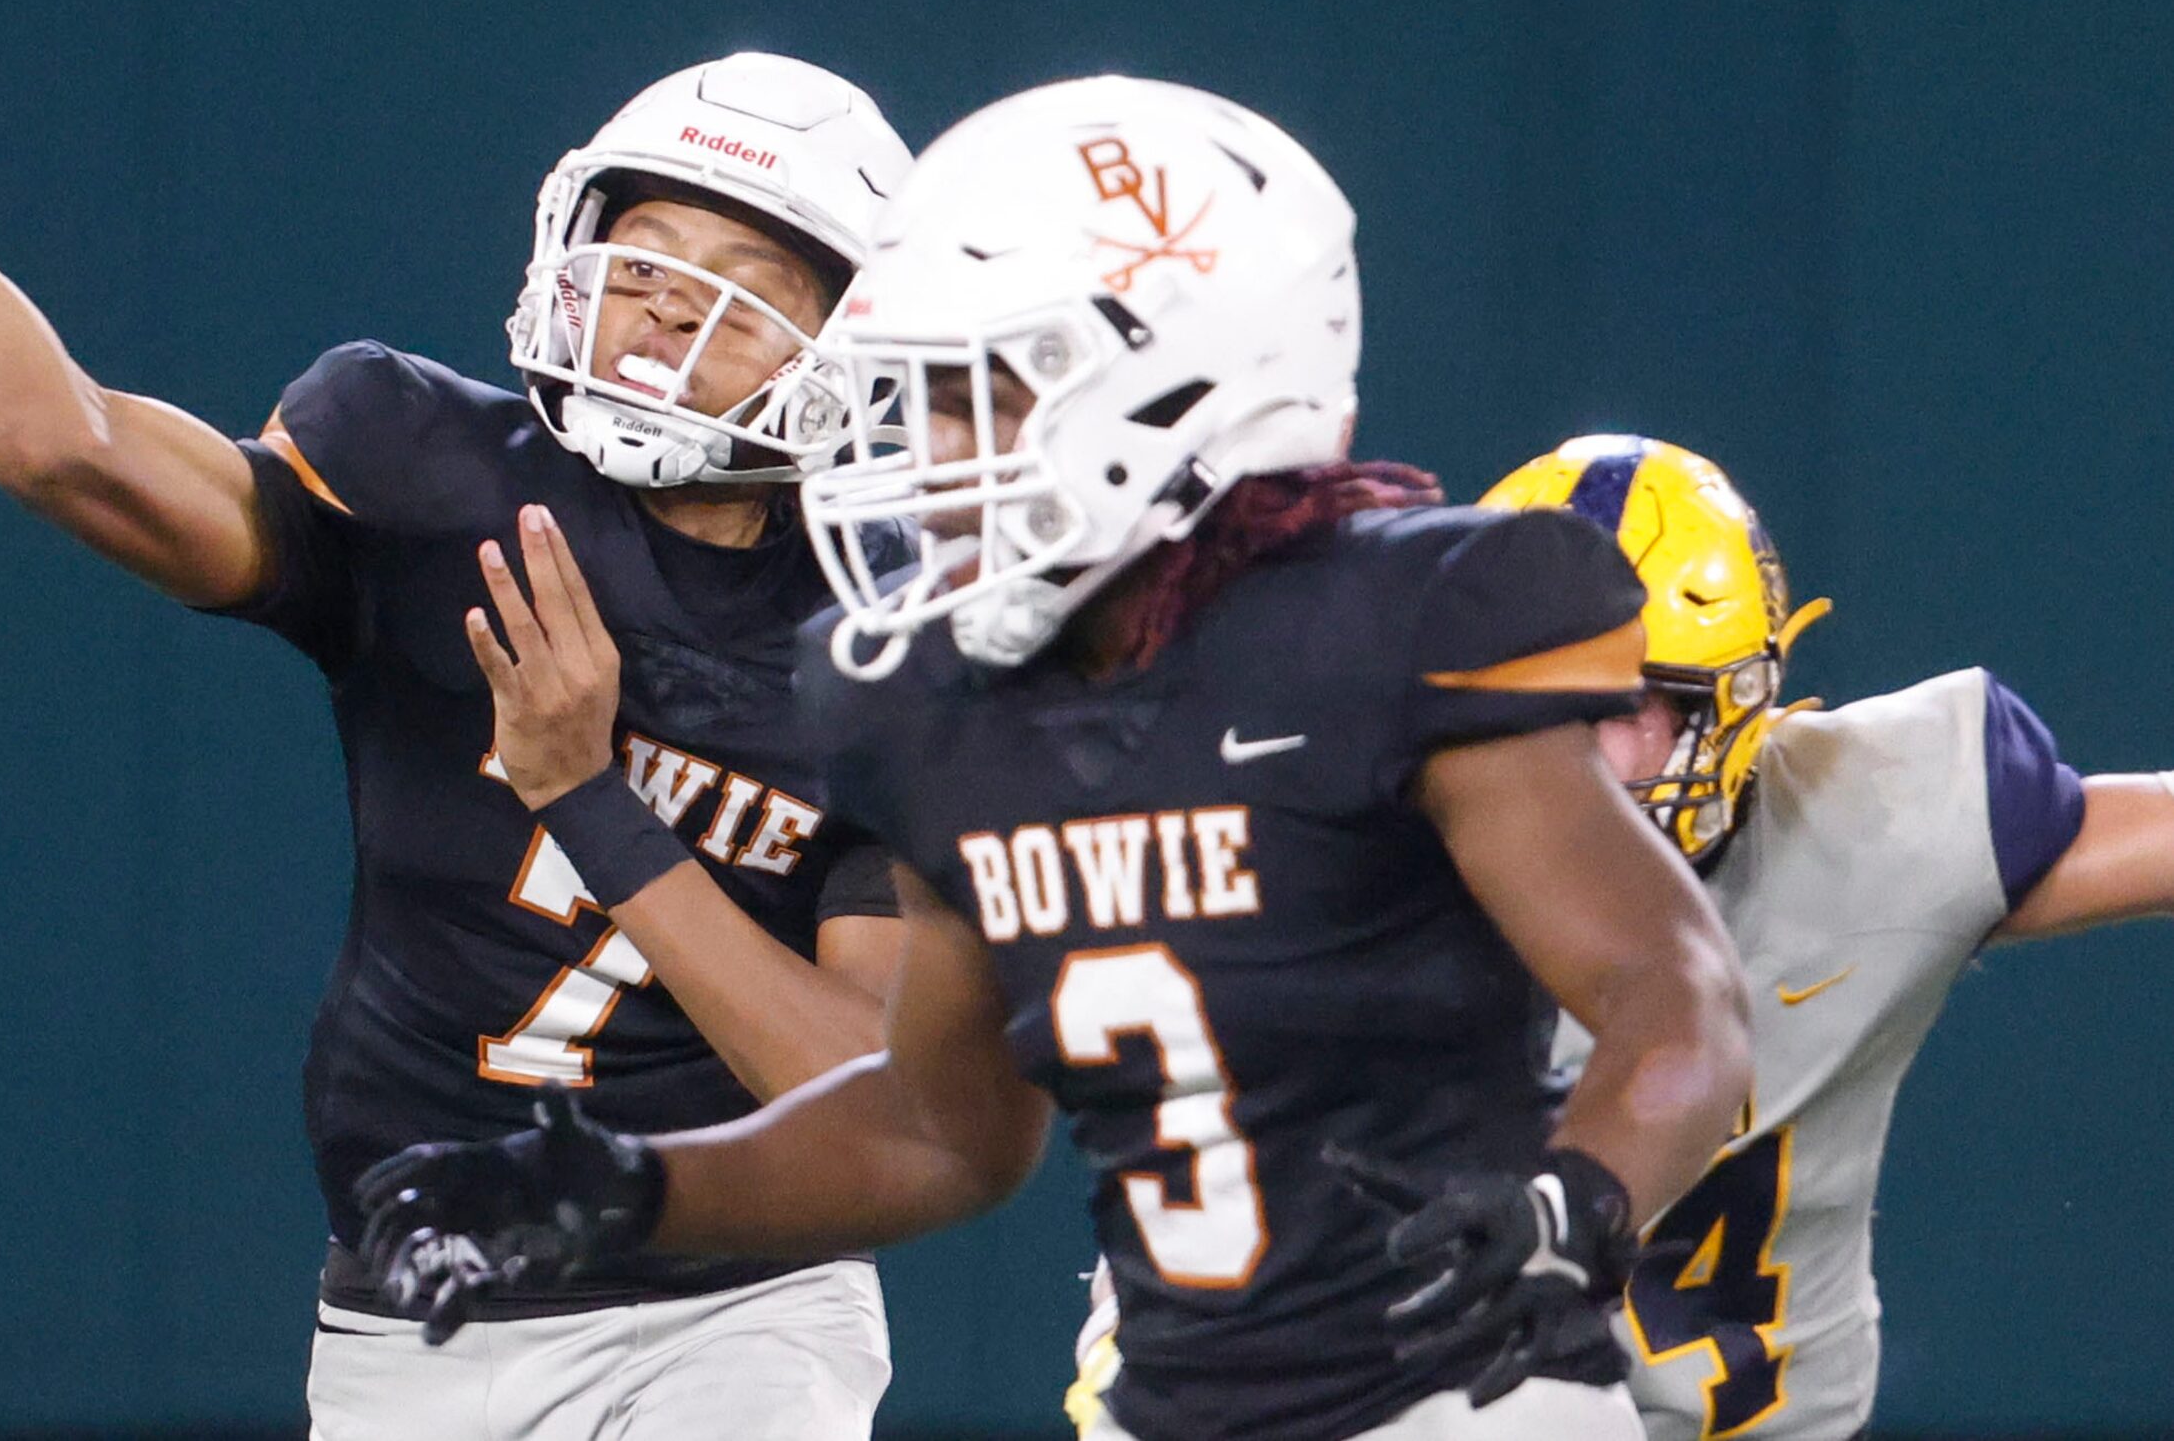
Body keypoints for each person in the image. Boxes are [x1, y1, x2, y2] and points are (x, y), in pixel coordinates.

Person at [0, 0, 919, 1441]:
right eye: (639, 256)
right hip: (408, 1306)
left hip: (734, 1310)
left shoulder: (894, 632)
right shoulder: (426, 467)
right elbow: (66, 446)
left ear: (852, 342)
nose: (661, 307)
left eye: (738, 276)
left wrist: (592, 799)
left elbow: (879, 1102)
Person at [353, 77, 1758, 1441]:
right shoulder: (934, 703)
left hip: (1461, 1397)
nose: (931, 450)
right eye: (924, 399)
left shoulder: (1403, 625)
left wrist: (1576, 1201)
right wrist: (625, 1186)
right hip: (1164, 1402)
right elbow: (936, 1127)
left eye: (985, 397)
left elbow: (1672, 987)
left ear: (1189, 389)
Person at [1481, 434, 2174, 1441]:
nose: (1568, 750)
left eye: (1625, 704)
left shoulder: (1869, 826)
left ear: (1735, 702)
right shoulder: (1367, 868)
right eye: (1532, 697)